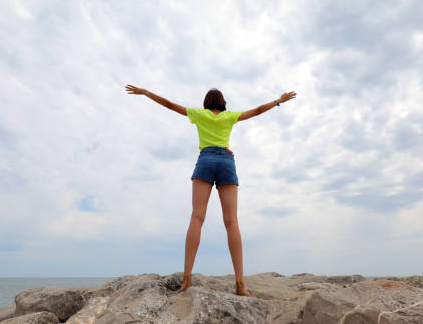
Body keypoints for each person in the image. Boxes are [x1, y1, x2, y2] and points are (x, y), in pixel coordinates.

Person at [125, 84, 297, 296]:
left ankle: (187, 278)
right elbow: (258, 110)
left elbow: (170, 105)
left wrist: (147, 92)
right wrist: (279, 101)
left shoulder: (199, 114)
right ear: (223, 103)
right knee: (232, 221)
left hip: (205, 160)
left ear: (206, 103)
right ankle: (240, 283)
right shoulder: (229, 117)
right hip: (226, 161)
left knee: (197, 217)